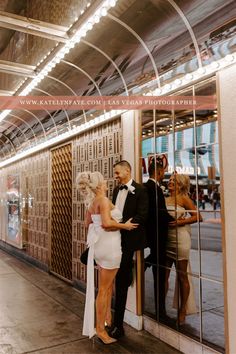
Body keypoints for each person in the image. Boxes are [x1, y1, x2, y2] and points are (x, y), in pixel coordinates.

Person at [77, 171, 138, 344]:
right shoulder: (103, 200)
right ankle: (101, 331)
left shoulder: (92, 203)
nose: (106, 183)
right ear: (98, 185)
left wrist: (105, 229)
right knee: (104, 290)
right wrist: (124, 226)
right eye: (104, 181)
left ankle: (106, 320)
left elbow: (88, 224)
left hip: (100, 247)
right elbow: (106, 223)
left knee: (107, 287)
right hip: (110, 248)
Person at [109, 160, 149, 339]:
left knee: (122, 281)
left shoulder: (140, 190)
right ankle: (112, 320)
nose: (115, 176)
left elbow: (143, 214)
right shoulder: (116, 190)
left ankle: (119, 325)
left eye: (118, 173)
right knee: (114, 279)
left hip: (129, 242)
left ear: (127, 170)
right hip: (113, 240)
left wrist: (124, 226)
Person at [165, 173, 202, 325]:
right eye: (170, 180)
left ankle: (182, 311)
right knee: (163, 276)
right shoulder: (164, 198)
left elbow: (198, 216)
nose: (171, 182)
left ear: (180, 184)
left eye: (174, 181)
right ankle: (162, 308)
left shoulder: (184, 198)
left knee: (182, 276)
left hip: (181, 240)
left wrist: (182, 222)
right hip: (166, 241)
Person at [144, 158, 174, 318]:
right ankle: (160, 311)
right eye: (163, 171)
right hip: (157, 237)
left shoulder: (149, 187)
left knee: (159, 271)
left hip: (153, 237)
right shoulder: (151, 188)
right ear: (160, 172)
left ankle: (146, 262)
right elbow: (158, 212)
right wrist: (174, 220)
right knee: (160, 275)